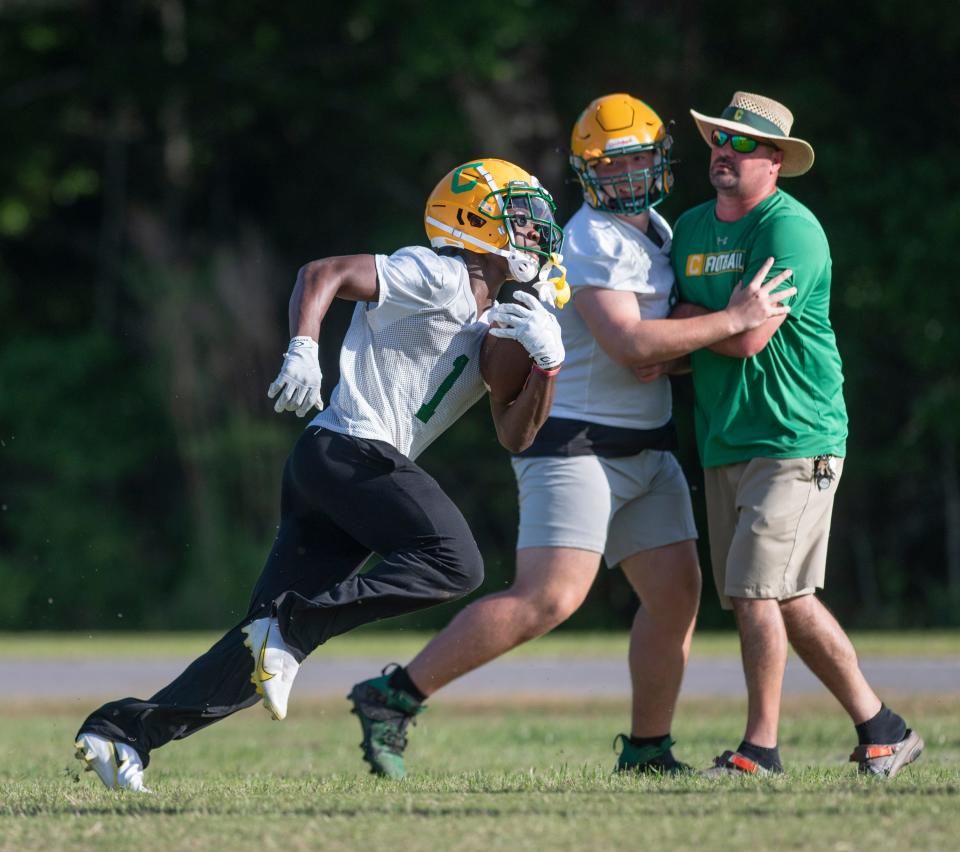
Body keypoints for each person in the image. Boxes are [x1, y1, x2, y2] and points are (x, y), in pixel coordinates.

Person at [72, 158, 570, 791]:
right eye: (521, 220)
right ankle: (294, 627)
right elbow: (324, 272)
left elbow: (515, 434)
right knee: (456, 562)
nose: (535, 234)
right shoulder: (441, 273)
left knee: (251, 658)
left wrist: (548, 365)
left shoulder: (494, 315)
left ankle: (123, 732)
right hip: (349, 451)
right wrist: (303, 347)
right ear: (475, 222)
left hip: (335, 470)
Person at [347, 94, 796, 779]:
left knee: (677, 594)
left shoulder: (660, 230)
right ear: (587, 172)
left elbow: (658, 351)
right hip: (574, 442)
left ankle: (648, 749)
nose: (627, 175)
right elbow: (628, 344)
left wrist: (673, 346)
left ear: (659, 160)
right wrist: (733, 320)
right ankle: (392, 696)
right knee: (549, 597)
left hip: (644, 441)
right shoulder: (589, 236)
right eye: (611, 164)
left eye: (639, 159)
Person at [669, 91, 924, 778]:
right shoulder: (689, 227)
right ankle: (883, 727)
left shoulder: (792, 230)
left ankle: (760, 751)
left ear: (775, 161)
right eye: (720, 139)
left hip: (796, 436)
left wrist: (694, 319)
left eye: (745, 143)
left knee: (758, 592)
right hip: (726, 436)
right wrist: (702, 319)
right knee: (784, 595)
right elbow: (667, 330)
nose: (727, 151)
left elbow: (751, 335)